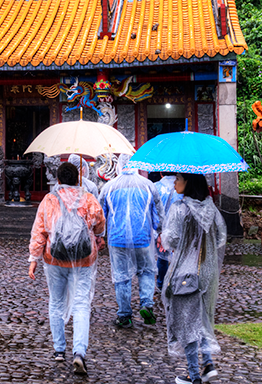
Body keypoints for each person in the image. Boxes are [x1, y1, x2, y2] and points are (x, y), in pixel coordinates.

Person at [28, 161, 106, 376]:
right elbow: (100, 224)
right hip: (83, 259)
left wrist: (34, 257)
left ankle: (59, 349)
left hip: (54, 257)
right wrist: (98, 237)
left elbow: (40, 230)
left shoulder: (49, 200)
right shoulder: (88, 199)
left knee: (56, 302)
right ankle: (79, 352)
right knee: (81, 304)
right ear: (78, 179)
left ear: (59, 180)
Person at [160, 173, 226, 384]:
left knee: (186, 322)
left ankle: (193, 375)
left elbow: (171, 240)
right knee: (202, 318)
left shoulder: (180, 209)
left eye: (178, 178)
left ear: (188, 183)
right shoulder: (211, 208)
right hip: (207, 270)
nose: (175, 182)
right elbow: (220, 237)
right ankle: (208, 364)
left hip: (185, 272)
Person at [98, 163, 164, 328]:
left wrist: (99, 235)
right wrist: (160, 230)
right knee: (147, 271)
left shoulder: (108, 187)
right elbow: (158, 211)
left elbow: (100, 214)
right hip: (142, 237)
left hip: (117, 238)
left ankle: (124, 315)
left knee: (121, 277)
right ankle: (147, 304)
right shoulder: (148, 185)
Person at [153, 173, 182, 290]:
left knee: (162, 256)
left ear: (161, 172)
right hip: (176, 226)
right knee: (178, 254)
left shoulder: (155, 186)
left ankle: (161, 283)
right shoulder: (181, 186)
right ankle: (177, 283)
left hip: (159, 228)